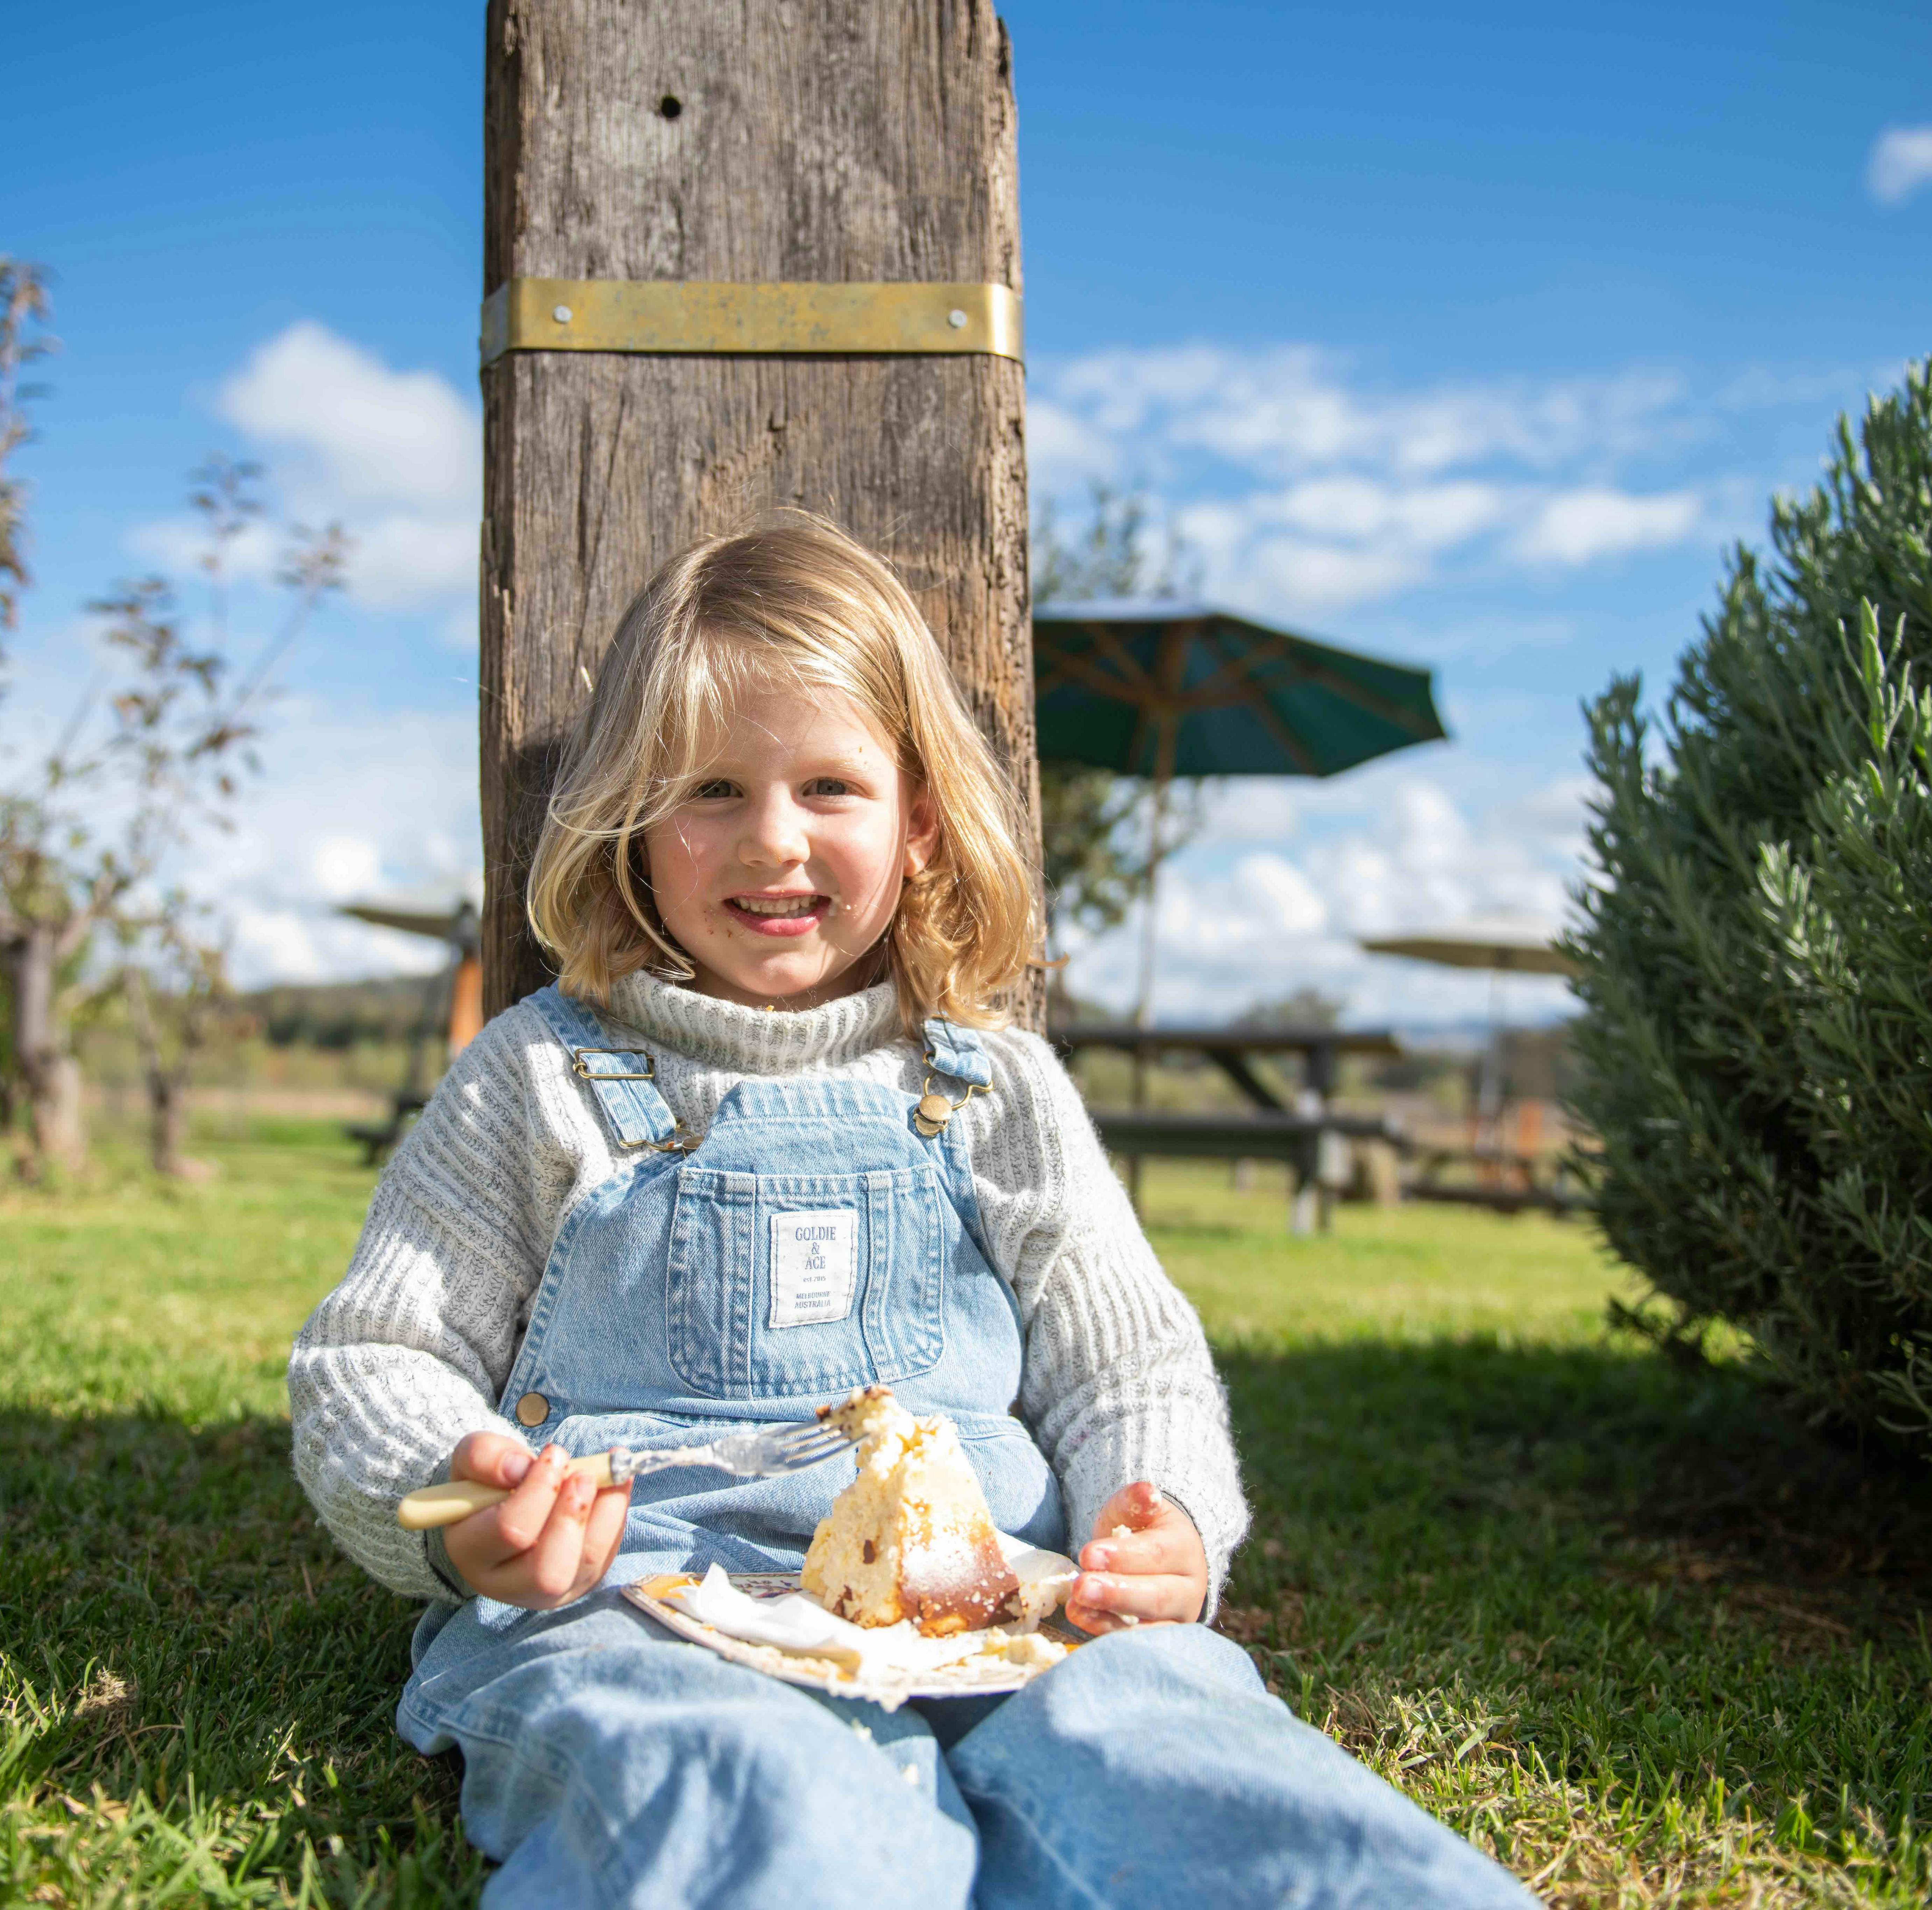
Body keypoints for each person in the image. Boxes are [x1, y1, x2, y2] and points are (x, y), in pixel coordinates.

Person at [289, 516, 1534, 1908]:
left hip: (986, 1597)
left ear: (918, 818)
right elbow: (372, 1356)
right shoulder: (538, 1075)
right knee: (775, 1811)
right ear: (633, 820)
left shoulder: (993, 1084)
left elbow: (1122, 1361)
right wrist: (463, 1514)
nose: (772, 839)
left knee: (1193, 1769)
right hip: (639, 1604)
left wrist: (1162, 1516)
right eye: (708, 788)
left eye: (829, 785)